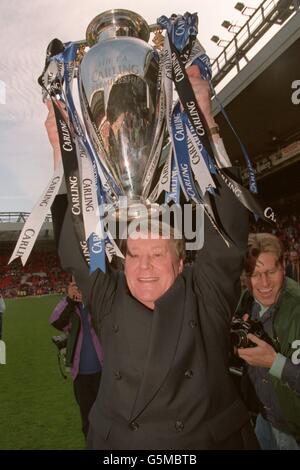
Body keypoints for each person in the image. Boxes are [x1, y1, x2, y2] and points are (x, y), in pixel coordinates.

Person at [45, 65, 258, 449]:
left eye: (157, 254)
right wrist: (64, 159)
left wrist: (205, 119)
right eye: (135, 254)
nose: (143, 266)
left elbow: (228, 230)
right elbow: (74, 250)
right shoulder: (110, 302)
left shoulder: (203, 297)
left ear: (181, 263)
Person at [236, 233, 300, 450]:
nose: (264, 283)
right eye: (255, 275)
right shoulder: (246, 300)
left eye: (271, 272)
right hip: (264, 418)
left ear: (283, 265)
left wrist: (275, 363)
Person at [50, 279, 103, 438]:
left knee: (109, 415)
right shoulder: (71, 306)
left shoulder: (99, 301)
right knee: (87, 419)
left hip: (106, 371)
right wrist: (69, 299)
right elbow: (56, 321)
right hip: (80, 373)